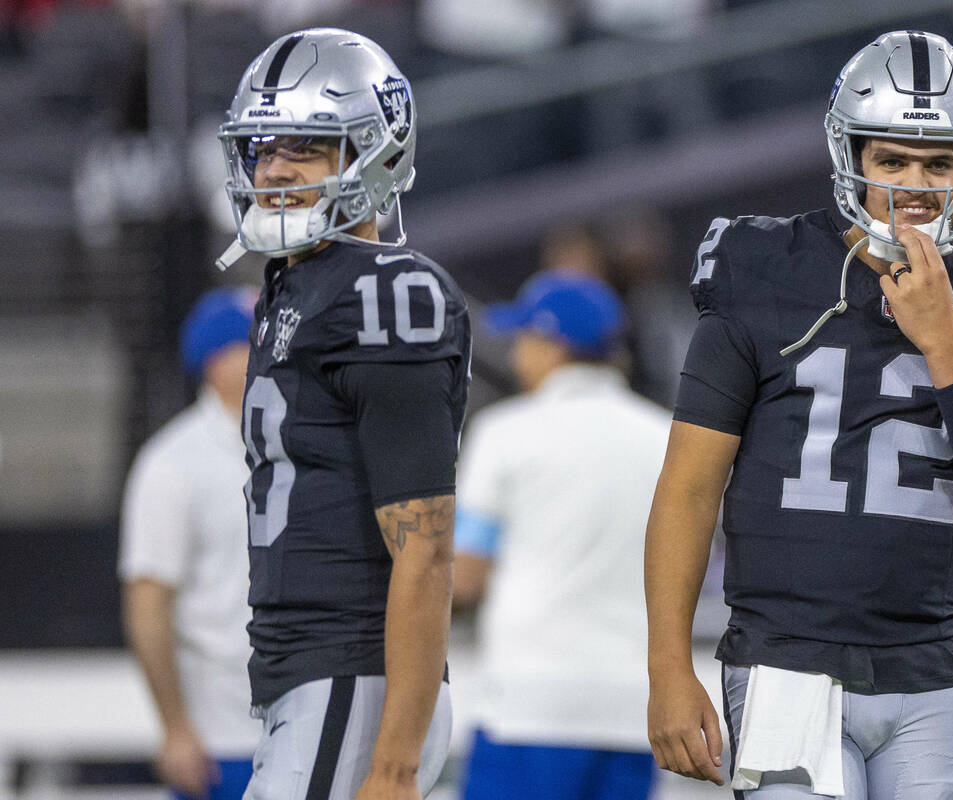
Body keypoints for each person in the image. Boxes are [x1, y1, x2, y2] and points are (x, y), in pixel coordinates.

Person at [644, 30, 953, 799]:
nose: (915, 184)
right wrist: (668, 667)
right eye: (892, 160)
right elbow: (688, 486)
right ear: (852, 158)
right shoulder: (762, 267)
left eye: (939, 163)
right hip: (788, 661)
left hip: (938, 668)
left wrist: (945, 343)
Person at [215, 28, 470, 800]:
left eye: (307, 147)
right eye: (264, 147)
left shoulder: (384, 293)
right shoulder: (298, 283)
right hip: (312, 674)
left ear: (374, 154)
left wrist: (393, 761)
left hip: (354, 675)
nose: (275, 169)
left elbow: (424, 550)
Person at [453, 271, 671, 800]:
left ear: (551, 346)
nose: (517, 352)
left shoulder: (504, 434)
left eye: (525, 338)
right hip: (632, 710)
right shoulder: (667, 436)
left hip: (531, 704)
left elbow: (463, 579)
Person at [120, 287, 261, 800]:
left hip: (308, 730)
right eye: (256, 344)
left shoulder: (304, 443)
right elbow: (149, 602)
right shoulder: (172, 463)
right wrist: (176, 727)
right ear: (216, 362)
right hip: (220, 738)